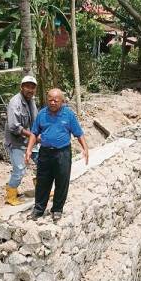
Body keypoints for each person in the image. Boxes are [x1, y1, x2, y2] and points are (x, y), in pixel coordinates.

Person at [25, 88, 89, 222]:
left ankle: (57, 209)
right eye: (50, 100)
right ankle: (38, 209)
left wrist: (85, 148)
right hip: (45, 153)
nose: (53, 102)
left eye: (56, 100)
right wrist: (29, 149)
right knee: (42, 181)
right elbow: (34, 133)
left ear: (62, 101)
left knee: (62, 181)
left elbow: (79, 133)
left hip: (63, 153)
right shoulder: (42, 114)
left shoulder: (68, 115)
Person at [4, 75, 39, 205]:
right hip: (16, 143)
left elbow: (35, 120)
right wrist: (32, 136)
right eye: (27, 87)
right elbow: (14, 127)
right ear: (21, 87)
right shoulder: (15, 102)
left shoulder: (32, 101)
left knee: (42, 163)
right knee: (19, 170)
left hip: (31, 140)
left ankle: (41, 188)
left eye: (32, 87)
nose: (30, 90)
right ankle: (11, 194)